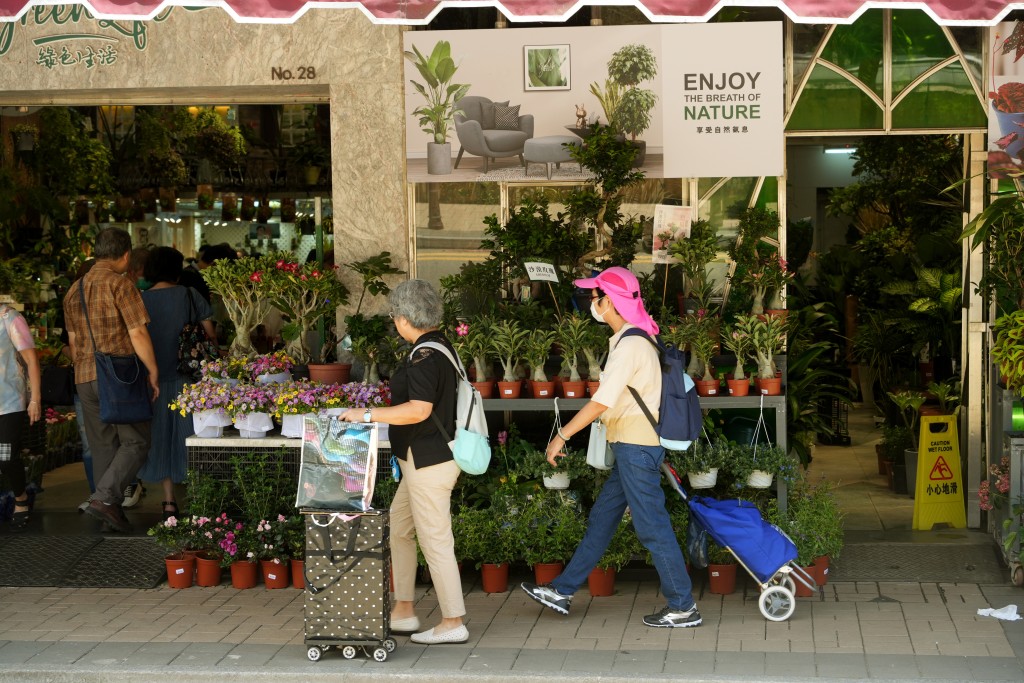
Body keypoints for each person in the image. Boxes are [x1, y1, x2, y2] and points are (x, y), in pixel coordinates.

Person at [520, 266, 701, 629]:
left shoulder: (631, 344)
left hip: (636, 448)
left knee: (653, 527)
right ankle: (563, 590)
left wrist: (562, 435)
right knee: (602, 521)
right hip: (630, 447)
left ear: (612, 302)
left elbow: (602, 401)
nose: (592, 303)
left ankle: (683, 606)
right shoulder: (632, 339)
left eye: (596, 297)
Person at [340, 279, 468, 645]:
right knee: (400, 526)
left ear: (402, 318)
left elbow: (419, 410)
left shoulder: (424, 355)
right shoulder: (440, 345)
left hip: (430, 461)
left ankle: (452, 620)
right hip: (422, 460)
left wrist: (366, 415)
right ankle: (405, 609)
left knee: (435, 538)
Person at [63, 227, 159, 533]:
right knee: (136, 440)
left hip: (84, 375)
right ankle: (104, 499)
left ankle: (110, 512)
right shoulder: (121, 285)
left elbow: (74, 341)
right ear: (126, 254)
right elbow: (137, 332)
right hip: (119, 375)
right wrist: (152, 370)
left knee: (103, 445)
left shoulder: (73, 290)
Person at [137, 246, 216, 521]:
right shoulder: (189, 295)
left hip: (153, 379)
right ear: (176, 269)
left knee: (160, 437)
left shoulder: (140, 299)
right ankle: (199, 496)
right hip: (188, 378)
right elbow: (209, 335)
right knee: (193, 436)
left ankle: (169, 501)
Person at [0, 301, 41, 531]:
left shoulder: (9, 317)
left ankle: (21, 498)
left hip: (9, 403)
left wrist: (35, 398)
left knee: (5, 457)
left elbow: (31, 360)